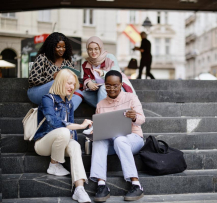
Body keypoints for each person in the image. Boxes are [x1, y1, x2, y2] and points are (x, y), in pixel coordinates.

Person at [33, 69, 92, 203]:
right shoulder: (47, 99)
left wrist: (73, 137)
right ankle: (53, 165)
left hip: (61, 142)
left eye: (74, 85)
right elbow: (53, 122)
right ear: (60, 82)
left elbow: (70, 127)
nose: (72, 87)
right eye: (69, 83)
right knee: (64, 131)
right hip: (43, 143)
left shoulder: (69, 103)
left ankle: (79, 189)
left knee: (75, 145)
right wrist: (81, 126)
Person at [90, 70, 145, 202]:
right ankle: (101, 185)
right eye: (108, 85)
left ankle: (136, 184)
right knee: (98, 141)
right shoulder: (100, 105)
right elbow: (100, 127)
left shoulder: (131, 97)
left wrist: (134, 117)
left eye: (115, 85)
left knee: (120, 140)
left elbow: (142, 119)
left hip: (133, 139)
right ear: (104, 85)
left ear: (121, 84)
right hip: (111, 142)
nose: (112, 89)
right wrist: (94, 130)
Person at [28, 32, 83, 110]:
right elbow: (32, 79)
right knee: (59, 82)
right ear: (52, 47)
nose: (62, 49)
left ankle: (64, 113)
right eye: (58, 47)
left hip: (60, 92)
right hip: (37, 92)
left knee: (79, 93)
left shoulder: (67, 61)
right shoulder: (43, 58)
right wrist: (53, 76)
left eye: (64, 47)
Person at [82, 36, 136, 108]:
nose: (93, 52)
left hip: (116, 87)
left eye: (96, 49)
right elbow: (86, 77)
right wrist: (89, 83)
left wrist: (103, 73)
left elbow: (116, 75)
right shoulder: (87, 63)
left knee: (103, 88)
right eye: (90, 49)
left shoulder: (110, 57)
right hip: (99, 90)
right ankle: (111, 107)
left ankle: (102, 113)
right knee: (84, 94)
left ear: (100, 48)